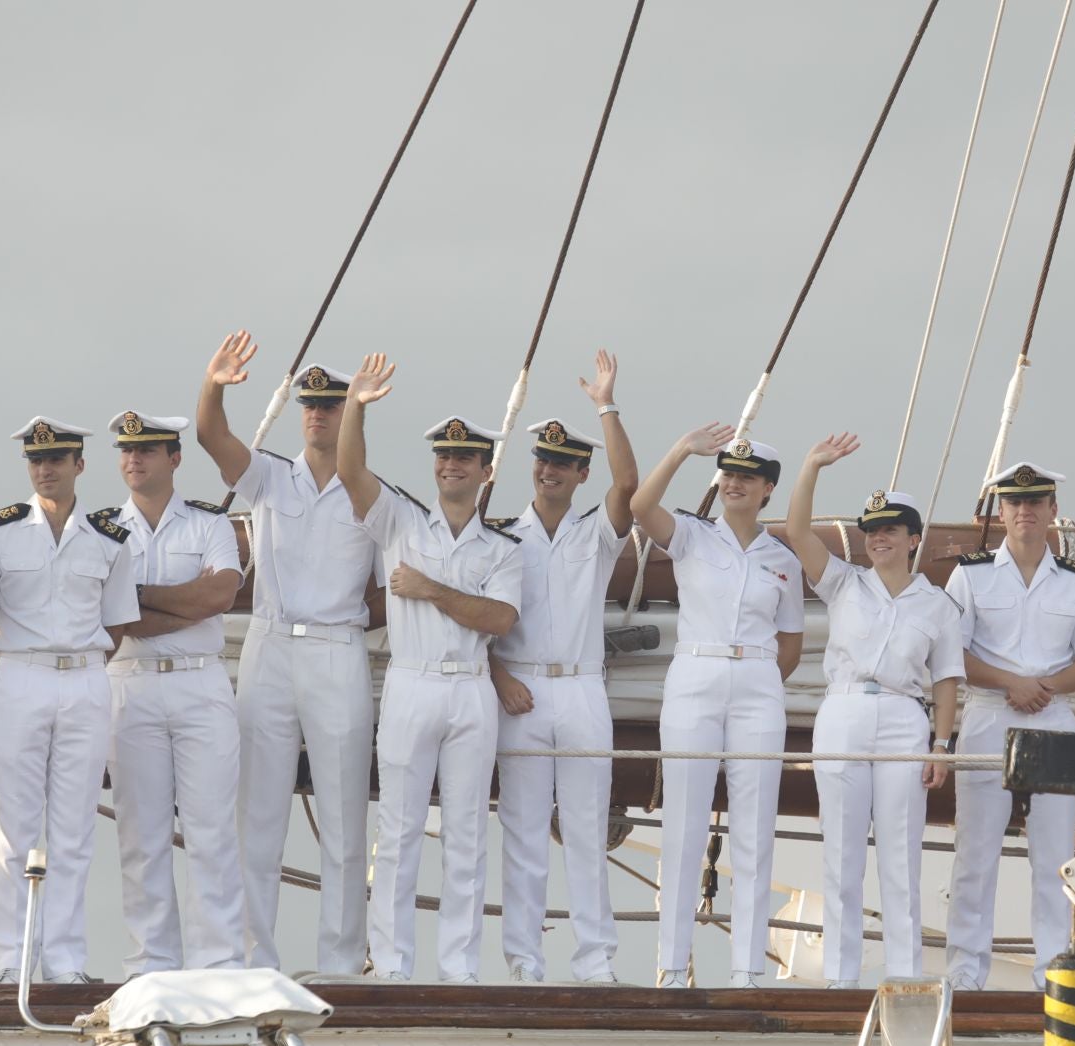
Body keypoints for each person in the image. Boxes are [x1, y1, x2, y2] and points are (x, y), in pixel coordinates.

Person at [194, 333, 383, 977]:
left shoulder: (369, 494)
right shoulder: (271, 475)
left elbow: (391, 588)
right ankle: (251, 962)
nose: (317, 415)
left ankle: (340, 964)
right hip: (271, 646)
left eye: (331, 406)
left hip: (337, 648)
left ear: (349, 413)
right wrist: (214, 386)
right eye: (311, 405)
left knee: (344, 816)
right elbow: (211, 439)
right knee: (259, 815)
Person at [335, 354, 523, 983]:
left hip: (470, 690)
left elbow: (499, 620)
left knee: (467, 835)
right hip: (412, 682)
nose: (450, 464)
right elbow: (350, 470)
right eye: (444, 455)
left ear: (485, 470)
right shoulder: (400, 518)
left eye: (464, 457)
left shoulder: (501, 549)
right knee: (399, 831)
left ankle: (460, 967)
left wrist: (430, 588)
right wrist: (356, 406)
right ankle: (391, 964)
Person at [782, 435, 964, 987]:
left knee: (901, 854)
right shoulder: (843, 583)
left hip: (905, 717)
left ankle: (907, 975)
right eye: (872, 530)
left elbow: (948, 678)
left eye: (890, 529)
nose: (879, 537)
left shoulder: (937, 603)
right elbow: (795, 532)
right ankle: (842, 976)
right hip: (843, 710)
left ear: (913, 538)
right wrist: (811, 464)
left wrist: (942, 747)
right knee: (841, 854)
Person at [0, 418, 138, 983]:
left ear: (79, 465)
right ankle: (14, 960)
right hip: (19, 676)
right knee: (14, 829)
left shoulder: (110, 539)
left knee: (74, 828)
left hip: (86, 679)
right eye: (36, 460)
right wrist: (6, 671)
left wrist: (75, 672)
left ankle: (64, 962)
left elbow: (115, 625)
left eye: (57, 459)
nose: (45, 468)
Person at [631, 426, 803, 988]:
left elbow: (792, 642)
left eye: (747, 477)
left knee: (755, 828)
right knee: (683, 822)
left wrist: (753, 678)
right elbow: (640, 506)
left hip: (757, 679)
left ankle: (747, 969)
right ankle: (672, 966)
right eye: (728, 474)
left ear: (767, 490)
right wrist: (681, 449)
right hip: (696, 673)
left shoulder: (784, 558)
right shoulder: (692, 535)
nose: (734, 483)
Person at [490, 351, 638, 984]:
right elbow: (480, 621)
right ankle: (524, 961)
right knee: (523, 835)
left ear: (581, 475)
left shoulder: (596, 535)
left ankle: (595, 959)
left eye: (561, 464)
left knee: (585, 828)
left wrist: (606, 405)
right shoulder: (501, 538)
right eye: (541, 460)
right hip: (518, 688)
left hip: (580, 689)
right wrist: (499, 679)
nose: (548, 470)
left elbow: (628, 486)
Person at [943, 462, 1075, 991]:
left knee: (1055, 856)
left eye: (1035, 501)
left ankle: (1052, 969)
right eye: (1014, 502)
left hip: (1052, 716)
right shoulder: (970, 574)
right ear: (1002, 511)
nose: (1025, 511)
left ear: (1053, 510)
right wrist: (1012, 682)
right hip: (989, 714)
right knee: (976, 854)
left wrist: (1045, 687)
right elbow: (951, 652)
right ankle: (966, 970)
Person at [100, 411, 246, 975]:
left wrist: (133, 599)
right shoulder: (103, 528)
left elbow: (218, 597)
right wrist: (172, 602)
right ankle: (151, 964)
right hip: (131, 684)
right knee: (141, 836)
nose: (133, 460)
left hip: (199, 682)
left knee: (211, 830)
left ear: (175, 459)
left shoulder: (210, 523)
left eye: (147, 451)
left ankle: (220, 963)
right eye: (127, 451)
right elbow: (104, 611)